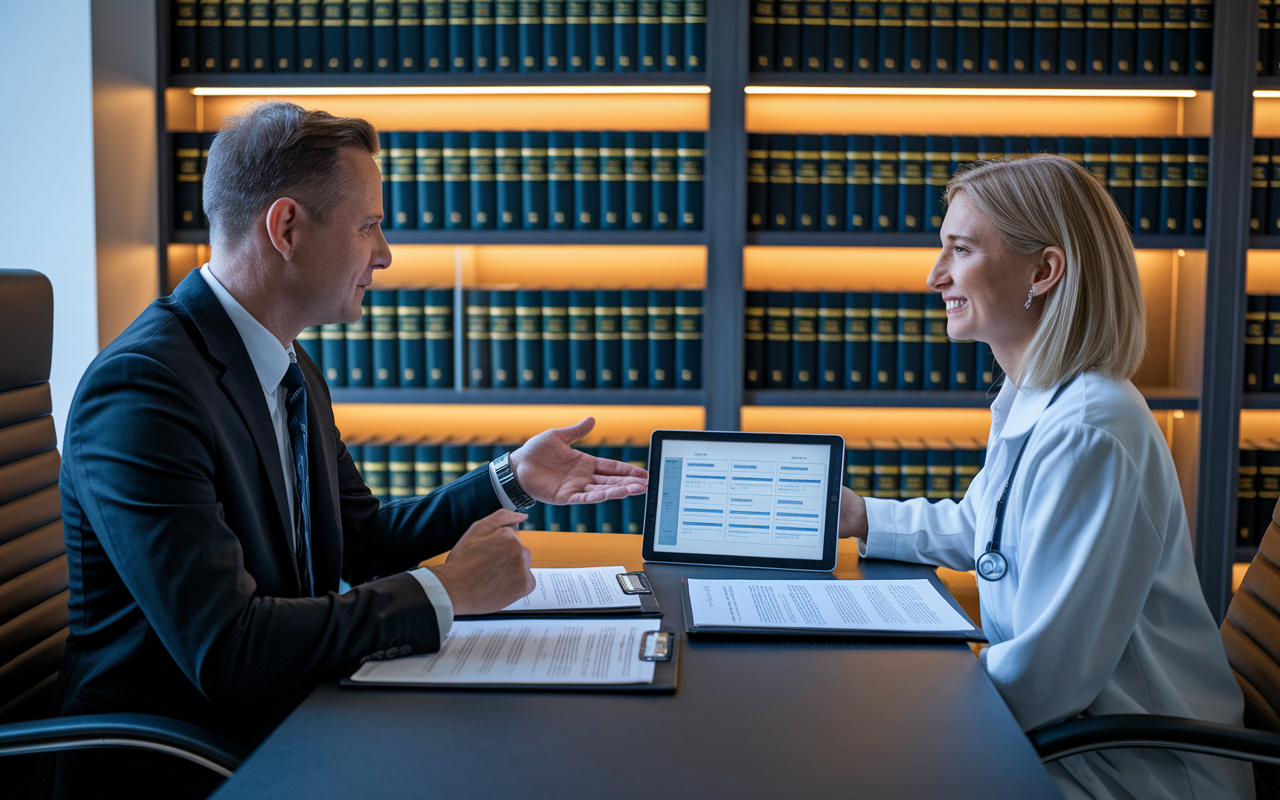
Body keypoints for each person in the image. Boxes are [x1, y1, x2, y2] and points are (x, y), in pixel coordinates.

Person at [50, 101, 647, 798]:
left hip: (288, 717)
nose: (386, 254)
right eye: (369, 225)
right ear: (287, 228)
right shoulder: (143, 392)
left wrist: (509, 479)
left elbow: (358, 540)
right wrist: (449, 590)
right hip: (179, 764)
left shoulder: (289, 368)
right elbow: (227, 649)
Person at [838, 155, 1253, 799]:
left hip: (1129, 767)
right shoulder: (1039, 394)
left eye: (961, 249)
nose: (934, 275)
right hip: (1065, 735)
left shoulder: (1091, 431)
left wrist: (891, 711)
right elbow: (987, 526)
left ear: (1044, 270)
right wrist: (859, 515)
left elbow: (1047, 678)